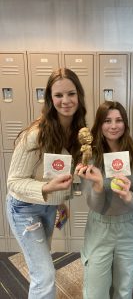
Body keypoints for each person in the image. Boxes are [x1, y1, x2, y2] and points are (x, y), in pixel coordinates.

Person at [6, 68, 87, 299]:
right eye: (58, 95)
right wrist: (47, 188)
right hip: (23, 208)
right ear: (50, 99)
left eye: (71, 94)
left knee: (42, 265)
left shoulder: (78, 131)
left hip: (50, 205)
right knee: (44, 274)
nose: (65, 101)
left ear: (79, 95)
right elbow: (13, 182)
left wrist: (61, 199)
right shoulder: (36, 134)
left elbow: (64, 175)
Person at [75, 101, 133, 299]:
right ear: (99, 125)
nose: (113, 126)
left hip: (130, 227)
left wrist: (129, 196)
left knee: (123, 290)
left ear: (125, 124)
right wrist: (98, 185)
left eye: (119, 120)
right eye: (107, 121)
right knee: (95, 292)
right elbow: (94, 205)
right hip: (100, 228)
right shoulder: (89, 158)